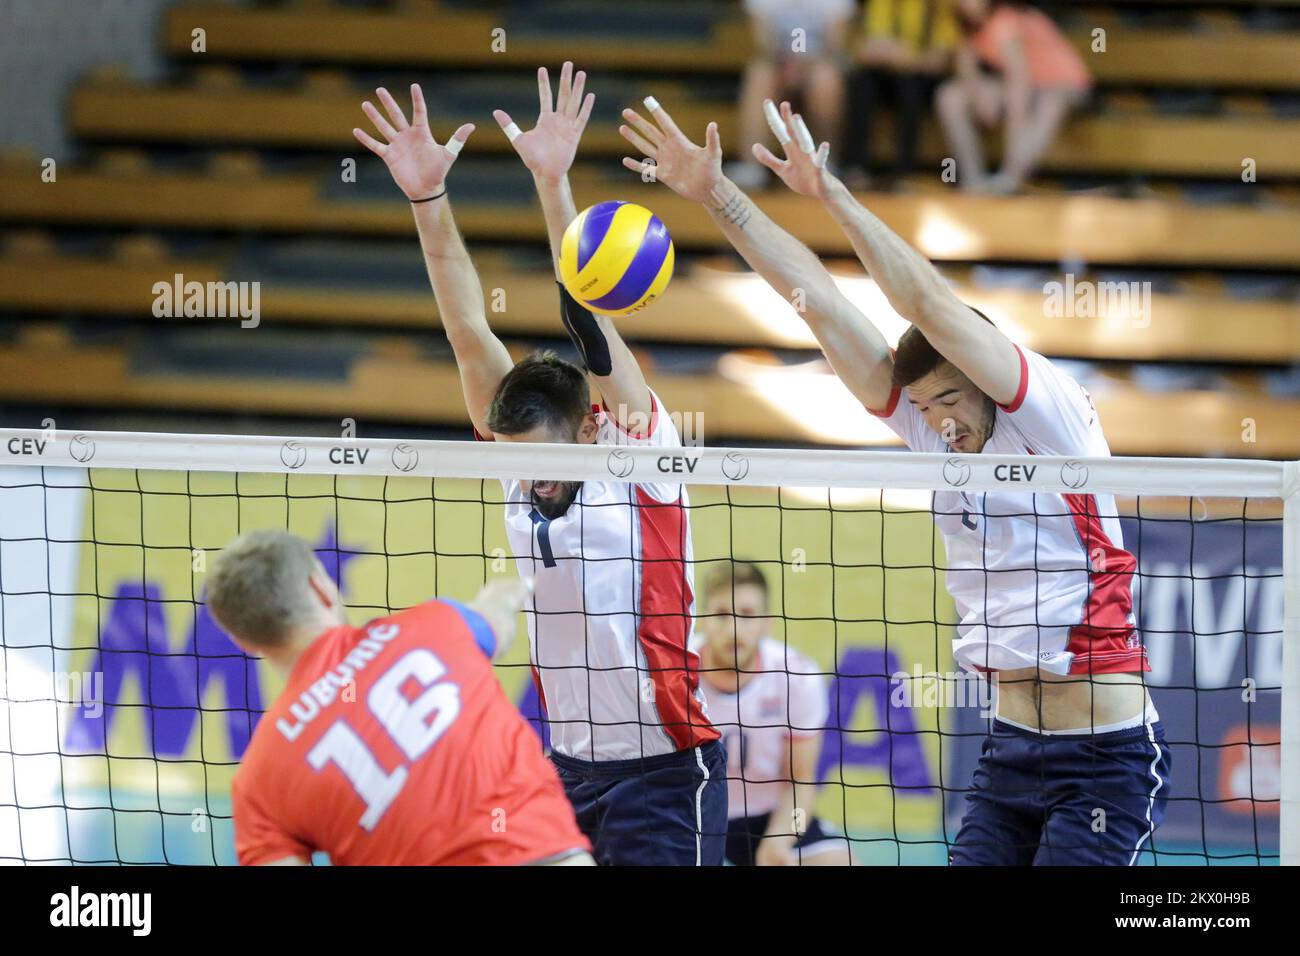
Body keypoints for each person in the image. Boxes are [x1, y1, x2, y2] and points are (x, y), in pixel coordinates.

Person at [618, 97, 1169, 866]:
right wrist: (718, 195)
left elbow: (928, 305)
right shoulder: (929, 431)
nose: (936, 420)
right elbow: (819, 305)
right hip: (1010, 753)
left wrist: (830, 194)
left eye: (948, 398)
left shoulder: (1047, 417)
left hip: (1104, 760)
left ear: (981, 374)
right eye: (921, 406)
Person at [353, 67, 726, 866]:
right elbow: (463, 325)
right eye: (517, 466)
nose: (529, 479)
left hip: (665, 772)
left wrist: (554, 186)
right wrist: (427, 199)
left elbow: (588, 319)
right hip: (562, 770)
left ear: (589, 429)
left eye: (543, 464)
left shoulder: (639, 457)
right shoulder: (519, 459)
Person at [210, 530, 592, 866]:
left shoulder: (257, 782)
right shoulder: (437, 625)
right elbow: (496, 617)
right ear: (320, 588)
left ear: (243, 641)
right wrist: (514, 589)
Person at [696, 562, 854, 866]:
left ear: (767, 622)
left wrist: (779, 841)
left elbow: (801, 781)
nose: (733, 628)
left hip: (767, 818)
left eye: (747, 614)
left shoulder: (796, 675)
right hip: (692, 815)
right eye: (721, 614)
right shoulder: (676, 674)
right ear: (702, 619)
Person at [936, 0, 1092, 194]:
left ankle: (1011, 178)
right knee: (950, 96)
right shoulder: (963, 23)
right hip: (1031, 85)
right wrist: (979, 98)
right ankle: (973, 181)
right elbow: (966, 67)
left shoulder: (1005, 19)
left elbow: (1019, 81)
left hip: (1064, 83)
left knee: (1049, 103)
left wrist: (1014, 141)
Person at [727, 0, 854, 190]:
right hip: (778, 62)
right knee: (759, 74)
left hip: (819, 62)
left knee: (825, 80)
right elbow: (763, 43)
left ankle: (827, 161)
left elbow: (834, 44)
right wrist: (786, 62)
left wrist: (804, 62)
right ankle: (751, 164)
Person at [841, 0, 961, 189]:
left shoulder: (937, 7)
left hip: (923, 81)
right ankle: (855, 168)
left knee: (909, 86)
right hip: (885, 76)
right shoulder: (880, 4)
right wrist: (893, 57)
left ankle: (905, 171)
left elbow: (940, 60)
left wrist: (907, 58)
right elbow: (865, 49)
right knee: (861, 82)